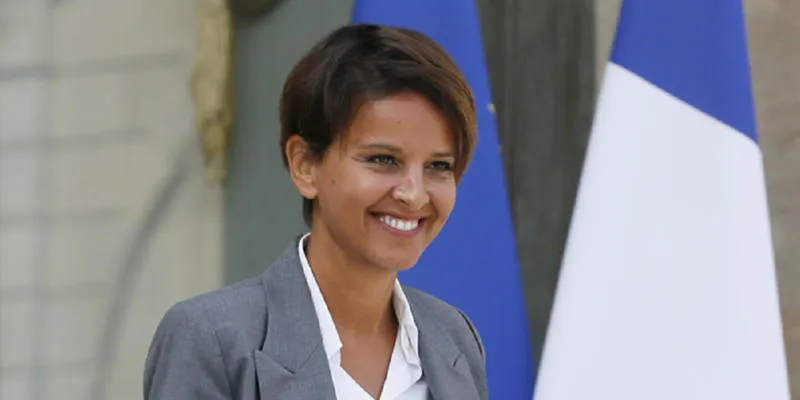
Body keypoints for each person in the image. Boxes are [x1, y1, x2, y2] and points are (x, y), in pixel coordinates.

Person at [143, 23, 487, 400]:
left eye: (439, 166)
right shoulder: (212, 339)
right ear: (304, 165)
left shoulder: (453, 337)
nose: (413, 194)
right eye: (383, 159)